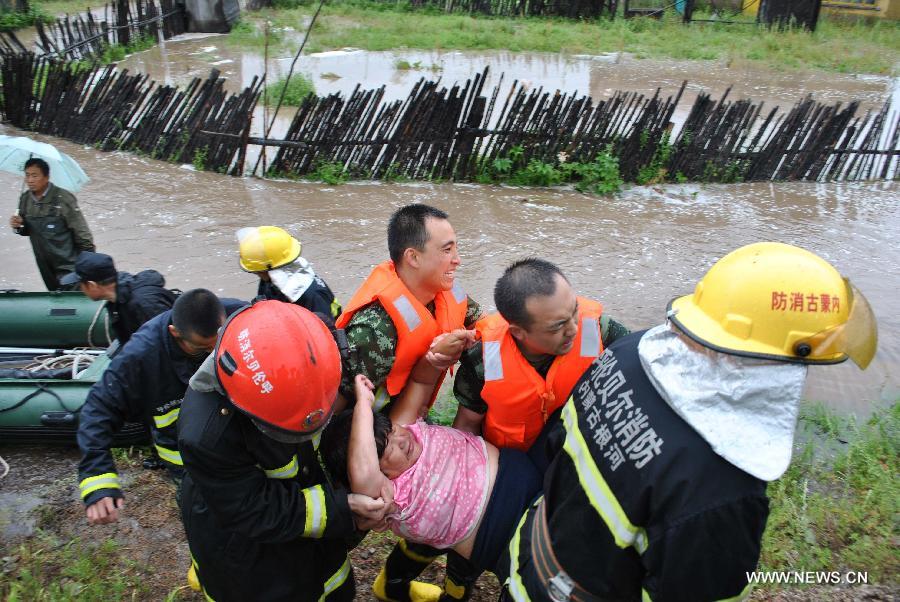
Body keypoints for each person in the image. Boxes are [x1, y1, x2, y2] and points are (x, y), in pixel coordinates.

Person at [499, 242, 879, 602]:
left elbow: (560, 445)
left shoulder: (629, 352)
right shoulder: (723, 492)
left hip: (529, 557)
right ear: (782, 364)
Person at [177, 300, 388, 602]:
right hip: (249, 551)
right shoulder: (207, 437)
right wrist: (342, 508)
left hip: (306, 529)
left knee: (333, 584)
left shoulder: (292, 331)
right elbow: (255, 508)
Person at [335, 203, 483, 602]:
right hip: (371, 441)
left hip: (410, 422)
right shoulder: (375, 329)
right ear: (412, 257)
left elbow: (482, 324)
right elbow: (337, 411)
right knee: (354, 524)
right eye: (447, 249)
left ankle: (393, 582)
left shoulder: (451, 296)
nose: (458, 259)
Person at [321, 331, 541, 577]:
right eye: (386, 450)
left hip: (520, 472)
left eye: (392, 431)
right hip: (499, 533)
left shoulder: (405, 426)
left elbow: (420, 382)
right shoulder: (386, 494)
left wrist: (436, 358)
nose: (401, 440)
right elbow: (363, 469)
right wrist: (362, 403)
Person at [77, 289, 245, 526]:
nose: (212, 356)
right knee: (203, 516)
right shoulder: (140, 356)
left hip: (233, 444)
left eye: (217, 346)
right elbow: (98, 408)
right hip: (186, 462)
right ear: (175, 333)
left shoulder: (239, 315)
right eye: (200, 349)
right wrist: (97, 476)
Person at [453, 258, 629, 469]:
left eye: (574, 311)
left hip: (579, 452)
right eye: (558, 326)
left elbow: (641, 366)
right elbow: (467, 426)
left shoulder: (600, 328)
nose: (574, 328)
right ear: (518, 332)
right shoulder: (483, 358)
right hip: (513, 461)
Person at [8, 158, 95, 291]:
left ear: (46, 177)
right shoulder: (25, 199)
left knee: (71, 303)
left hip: (69, 264)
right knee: (55, 299)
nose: (30, 180)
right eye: (27, 175)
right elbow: (27, 230)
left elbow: (83, 235)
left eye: (35, 175)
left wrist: (88, 265)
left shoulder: (63, 198)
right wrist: (18, 225)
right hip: (45, 265)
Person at [60, 251, 177, 345]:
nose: (81, 289)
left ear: (92, 285)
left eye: (81, 284)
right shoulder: (116, 301)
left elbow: (169, 346)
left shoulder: (142, 304)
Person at [238, 225, 341, 322]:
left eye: (257, 272)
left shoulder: (310, 294)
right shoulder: (270, 278)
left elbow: (326, 331)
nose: (257, 274)